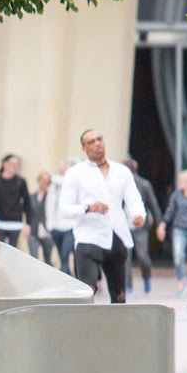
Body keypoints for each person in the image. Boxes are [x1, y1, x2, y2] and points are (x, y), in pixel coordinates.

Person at [56, 128, 145, 304]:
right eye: (91, 142)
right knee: (88, 290)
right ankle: (87, 328)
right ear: (84, 149)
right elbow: (64, 209)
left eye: (99, 139)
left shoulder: (122, 171)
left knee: (119, 296)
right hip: (88, 238)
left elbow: (134, 199)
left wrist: (138, 215)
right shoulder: (75, 173)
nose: (97, 143)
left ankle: (117, 329)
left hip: (116, 237)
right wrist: (88, 208)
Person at [157, 170, 187, 296]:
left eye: (181, 181)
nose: (179, 183)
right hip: (179, 229)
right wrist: (163, 225)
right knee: (178, 256)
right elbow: (170, 211)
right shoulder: (176, 195)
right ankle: (181, 282)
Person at [123, 157, 163, 295]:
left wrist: (160, 224)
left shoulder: (144, 185)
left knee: (142, 256)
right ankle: (127, 285)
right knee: (125, 257)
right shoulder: (119, 185)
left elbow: (153, 204)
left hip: (140, 226)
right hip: (124, 225)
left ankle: (146, 276)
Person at [0, 154, 31, 248]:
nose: (15, 167)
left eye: (16, 165)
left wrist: (28, 224)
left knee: (13, 250)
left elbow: (27, 203)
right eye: (12, 164)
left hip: (15, 224)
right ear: (5, 164)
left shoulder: (21, 182)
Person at [48, 158, 78, 275]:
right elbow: (50, 205)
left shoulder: (74, 184)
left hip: (70, 226)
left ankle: (67, 281)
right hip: (56, 226)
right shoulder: (54, 185)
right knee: (62, 257)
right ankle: (68, 278)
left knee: (65, 256)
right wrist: (50, 225)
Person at [27, 172, 57, 266]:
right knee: (33, 258)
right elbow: (28, 212)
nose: (45, 183)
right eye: (43, 180)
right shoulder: (32, 197)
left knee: (47, 260)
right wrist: (26, 226)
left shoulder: (51, 197)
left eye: (47, 181)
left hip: (47, 231)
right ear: (39, 181)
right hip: (33, 230)